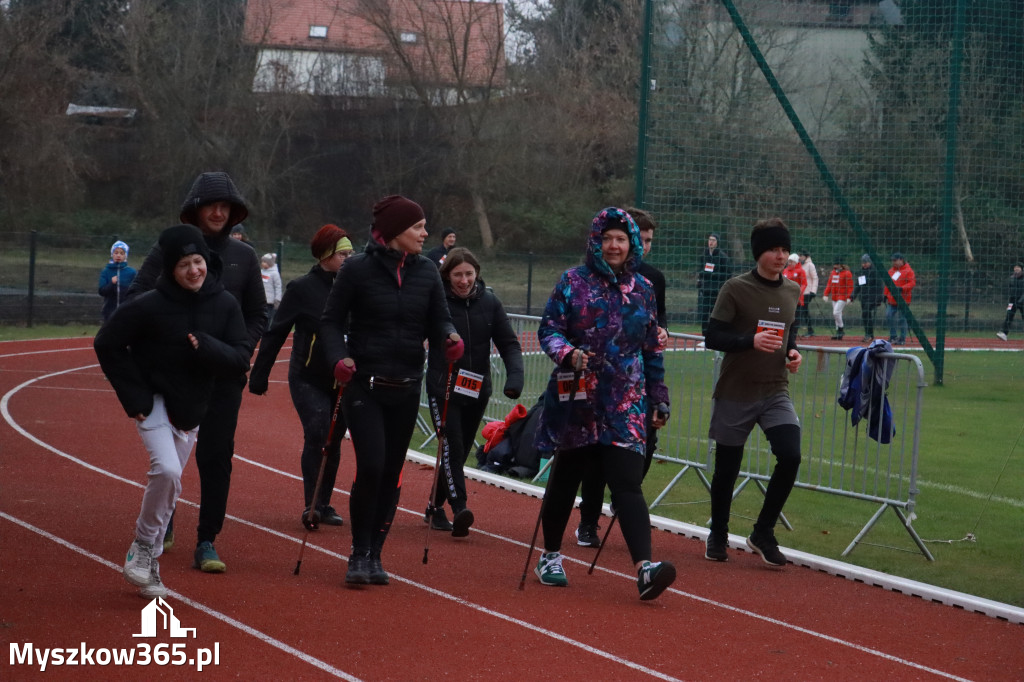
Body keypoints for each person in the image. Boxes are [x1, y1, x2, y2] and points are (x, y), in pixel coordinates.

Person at [94, 224, 250, 598]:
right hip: (153, 404)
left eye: (197, 261)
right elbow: (107, 344)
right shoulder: (149, 305)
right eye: (183, 265)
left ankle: (149, 561)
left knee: (172, 484)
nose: (193, 270)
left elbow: (241, 358)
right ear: (170, 269)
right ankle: (145, 547)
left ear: (207, 262)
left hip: (192, 406)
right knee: (165, 470)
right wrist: (135, 398)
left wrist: (209, 347)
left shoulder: (225, 304)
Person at [532, 206, 675, 601]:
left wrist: (658, 397)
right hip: (578, 393)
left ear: (631, 244)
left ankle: (645, 569)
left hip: (626, 398)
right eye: (608, 238)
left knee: (627, 481)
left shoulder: (643, 288)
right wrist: (568, 353)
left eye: (622, 238)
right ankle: (550, 555)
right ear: (596, 242)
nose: (614, 245)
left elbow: (652, 348)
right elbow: (548, 330)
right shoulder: (572, 282)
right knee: (567, 475)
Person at [127, 171, 266, 573]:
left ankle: (207, 539)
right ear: (196, 209)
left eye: (226, 206)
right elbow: (137, 300)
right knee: (174, 458)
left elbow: (258, 312)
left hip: (224, 377)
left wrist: (240, 347)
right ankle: (163, 522)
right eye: (211, 205)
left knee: (217, 456)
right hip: (177, 378)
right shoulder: (170, 251)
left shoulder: (245, 256)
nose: (219, 212)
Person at [320, 195, 462, 586]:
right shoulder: (357, 271)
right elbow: (330, 323)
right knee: (371, 465)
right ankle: (357, 550)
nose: (425, 233)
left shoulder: (428, 273)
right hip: (364, 385)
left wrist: (449, 337)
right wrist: (339, 358)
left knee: (390, 471)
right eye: (418, 227)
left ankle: (375, 553)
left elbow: (440, 320)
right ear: (397, 231)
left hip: (407, 386)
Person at [703, 217, 802, 567]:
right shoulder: (735, 288)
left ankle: (763, 531)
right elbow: (712, 336)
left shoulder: (793, 290)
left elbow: (789, 333)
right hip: (736, 390)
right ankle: (718, 533)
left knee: (791, 456)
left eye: (785, 249)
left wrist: (792, 352)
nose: (781, 255)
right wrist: (750, 341)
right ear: (759, 251)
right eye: (774, 249)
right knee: (727, 468)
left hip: (775, 390)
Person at [574, 206, 668, 547]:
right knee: (596, 457)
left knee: (640, 451)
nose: (644, 245)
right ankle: (588, 520)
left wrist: (661, 337)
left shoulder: (650, 281)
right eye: (640, 238)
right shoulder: (584, 278)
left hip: (634, 385)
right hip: (595, 385)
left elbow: (656, 326)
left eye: (647, 241)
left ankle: (625, 503)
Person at [249, 225, 354, 528]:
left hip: (344, 380)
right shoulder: (302, 288)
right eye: (343, 253)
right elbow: (276, 332)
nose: (349, 258)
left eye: (350, 253)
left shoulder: (353, 289)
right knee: (318, 431)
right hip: (308, 377)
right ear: (325, 255)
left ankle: (324, 502)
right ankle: (312, 505)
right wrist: (260, 375)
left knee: (333, 440)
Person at [425, 247, 524, 537]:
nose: (464, 280)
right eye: (458, 274)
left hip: (476, 390)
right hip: (442, 389)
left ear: (477, 274)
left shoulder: (490, 303)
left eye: (469, 274)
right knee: (451, 448)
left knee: (460, 450)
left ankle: (434, 506)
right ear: (447, 275)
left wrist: (514, 378)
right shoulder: (437, 303)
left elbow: (509, 343)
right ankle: (460, 509)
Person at [697, 232, 730, 334]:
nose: (710, 242)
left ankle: (714, 335)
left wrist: (712, 275)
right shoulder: (704, 255)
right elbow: (701, 271)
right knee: (704, 314)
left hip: (716, 291)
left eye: (713, 240)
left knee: (714, 314)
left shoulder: (723, 257)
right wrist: (700, 280)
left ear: (717, 242)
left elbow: (728, 274)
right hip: (705, 290)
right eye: (709, 240)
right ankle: (703, 336)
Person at [98, 240, 138, 322]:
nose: (118, 255)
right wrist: (111, 284)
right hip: (109, 311)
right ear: (112, 254)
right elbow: (102, 291)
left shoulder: (132, 272)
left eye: (121, 253)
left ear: (125, 256)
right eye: (116, 253)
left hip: (127, 310)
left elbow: (137, 290)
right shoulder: (106, 272)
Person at [851, 254, 884, 343]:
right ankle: (869, 334)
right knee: (865, 315)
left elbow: (880, 286)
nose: (864, 264)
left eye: (866, 262)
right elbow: (858, 285)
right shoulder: (861, 272)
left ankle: (869, 334)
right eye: (863, 262)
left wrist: (879, 298)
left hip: (873, 297)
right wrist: (853, 295)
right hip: (864, 297)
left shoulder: (875, 271)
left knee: (866, 312)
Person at [885, 252, 915, 346]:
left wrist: (902, 288)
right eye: (892, 260)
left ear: (901, 260)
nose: (893, 262)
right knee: (889, 315)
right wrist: (885, 294)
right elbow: (887, 284)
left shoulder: (909, 271)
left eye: (895, 260)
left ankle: (902, 338)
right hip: (892, 299)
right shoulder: (891, 271)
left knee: (902, 319)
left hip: (904, 299)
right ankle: (893, 336)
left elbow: (912, 283)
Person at [822, 256, 854, 340]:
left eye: (837, 264)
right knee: (837, 315)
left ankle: (841, 329)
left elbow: (850, 286)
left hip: (842, 297)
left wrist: (849, 297)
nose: (835, 266)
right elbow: (829, 284)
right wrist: (826, 294)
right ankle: (838, 333)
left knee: (836, 313)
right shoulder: (833, 273)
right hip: (834, 297)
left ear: (841, 265)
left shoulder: (847, 273)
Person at [996, 263, 1024, 341]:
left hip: (1022, 301)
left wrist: (1021, 300)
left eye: (1018, 268)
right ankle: (1004, 333)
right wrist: (1010, 301)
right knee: (1009, 316)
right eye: (1015, 267)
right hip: (1013, 301)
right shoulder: (1011, 278)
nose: (1016, 269)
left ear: (1022, 269)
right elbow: (1009, 289)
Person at [782, 253, 806, 337]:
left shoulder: (801, 271)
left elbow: (804, 284)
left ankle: (793, 337)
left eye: (791, 261)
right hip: (786, 299)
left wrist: (798, 293)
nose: (789, 263)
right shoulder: (785, 271)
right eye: (789, 261)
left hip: (797, 300)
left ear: (796, 262)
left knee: (795, 319)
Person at [798, 251, 818, 336]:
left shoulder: (810, 265)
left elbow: (815, 278)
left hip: (808, 292)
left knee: (804, 310)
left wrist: (813, 291)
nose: (800, 257)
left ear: (806, 256)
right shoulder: (800, 265)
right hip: (801, 292)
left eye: (801, 256)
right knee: (803, 310)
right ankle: (809, 330)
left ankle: (810, 330)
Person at [260, 253, 283, 327]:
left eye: (265, 262)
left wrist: (277, 299)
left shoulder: (275, 274)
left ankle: (265, 331)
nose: (263, 264)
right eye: (262, 262)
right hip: (260, 299)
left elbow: (278, 286)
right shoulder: (261, 272)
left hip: (269, 301)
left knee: (267, 317)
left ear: (270, 263)